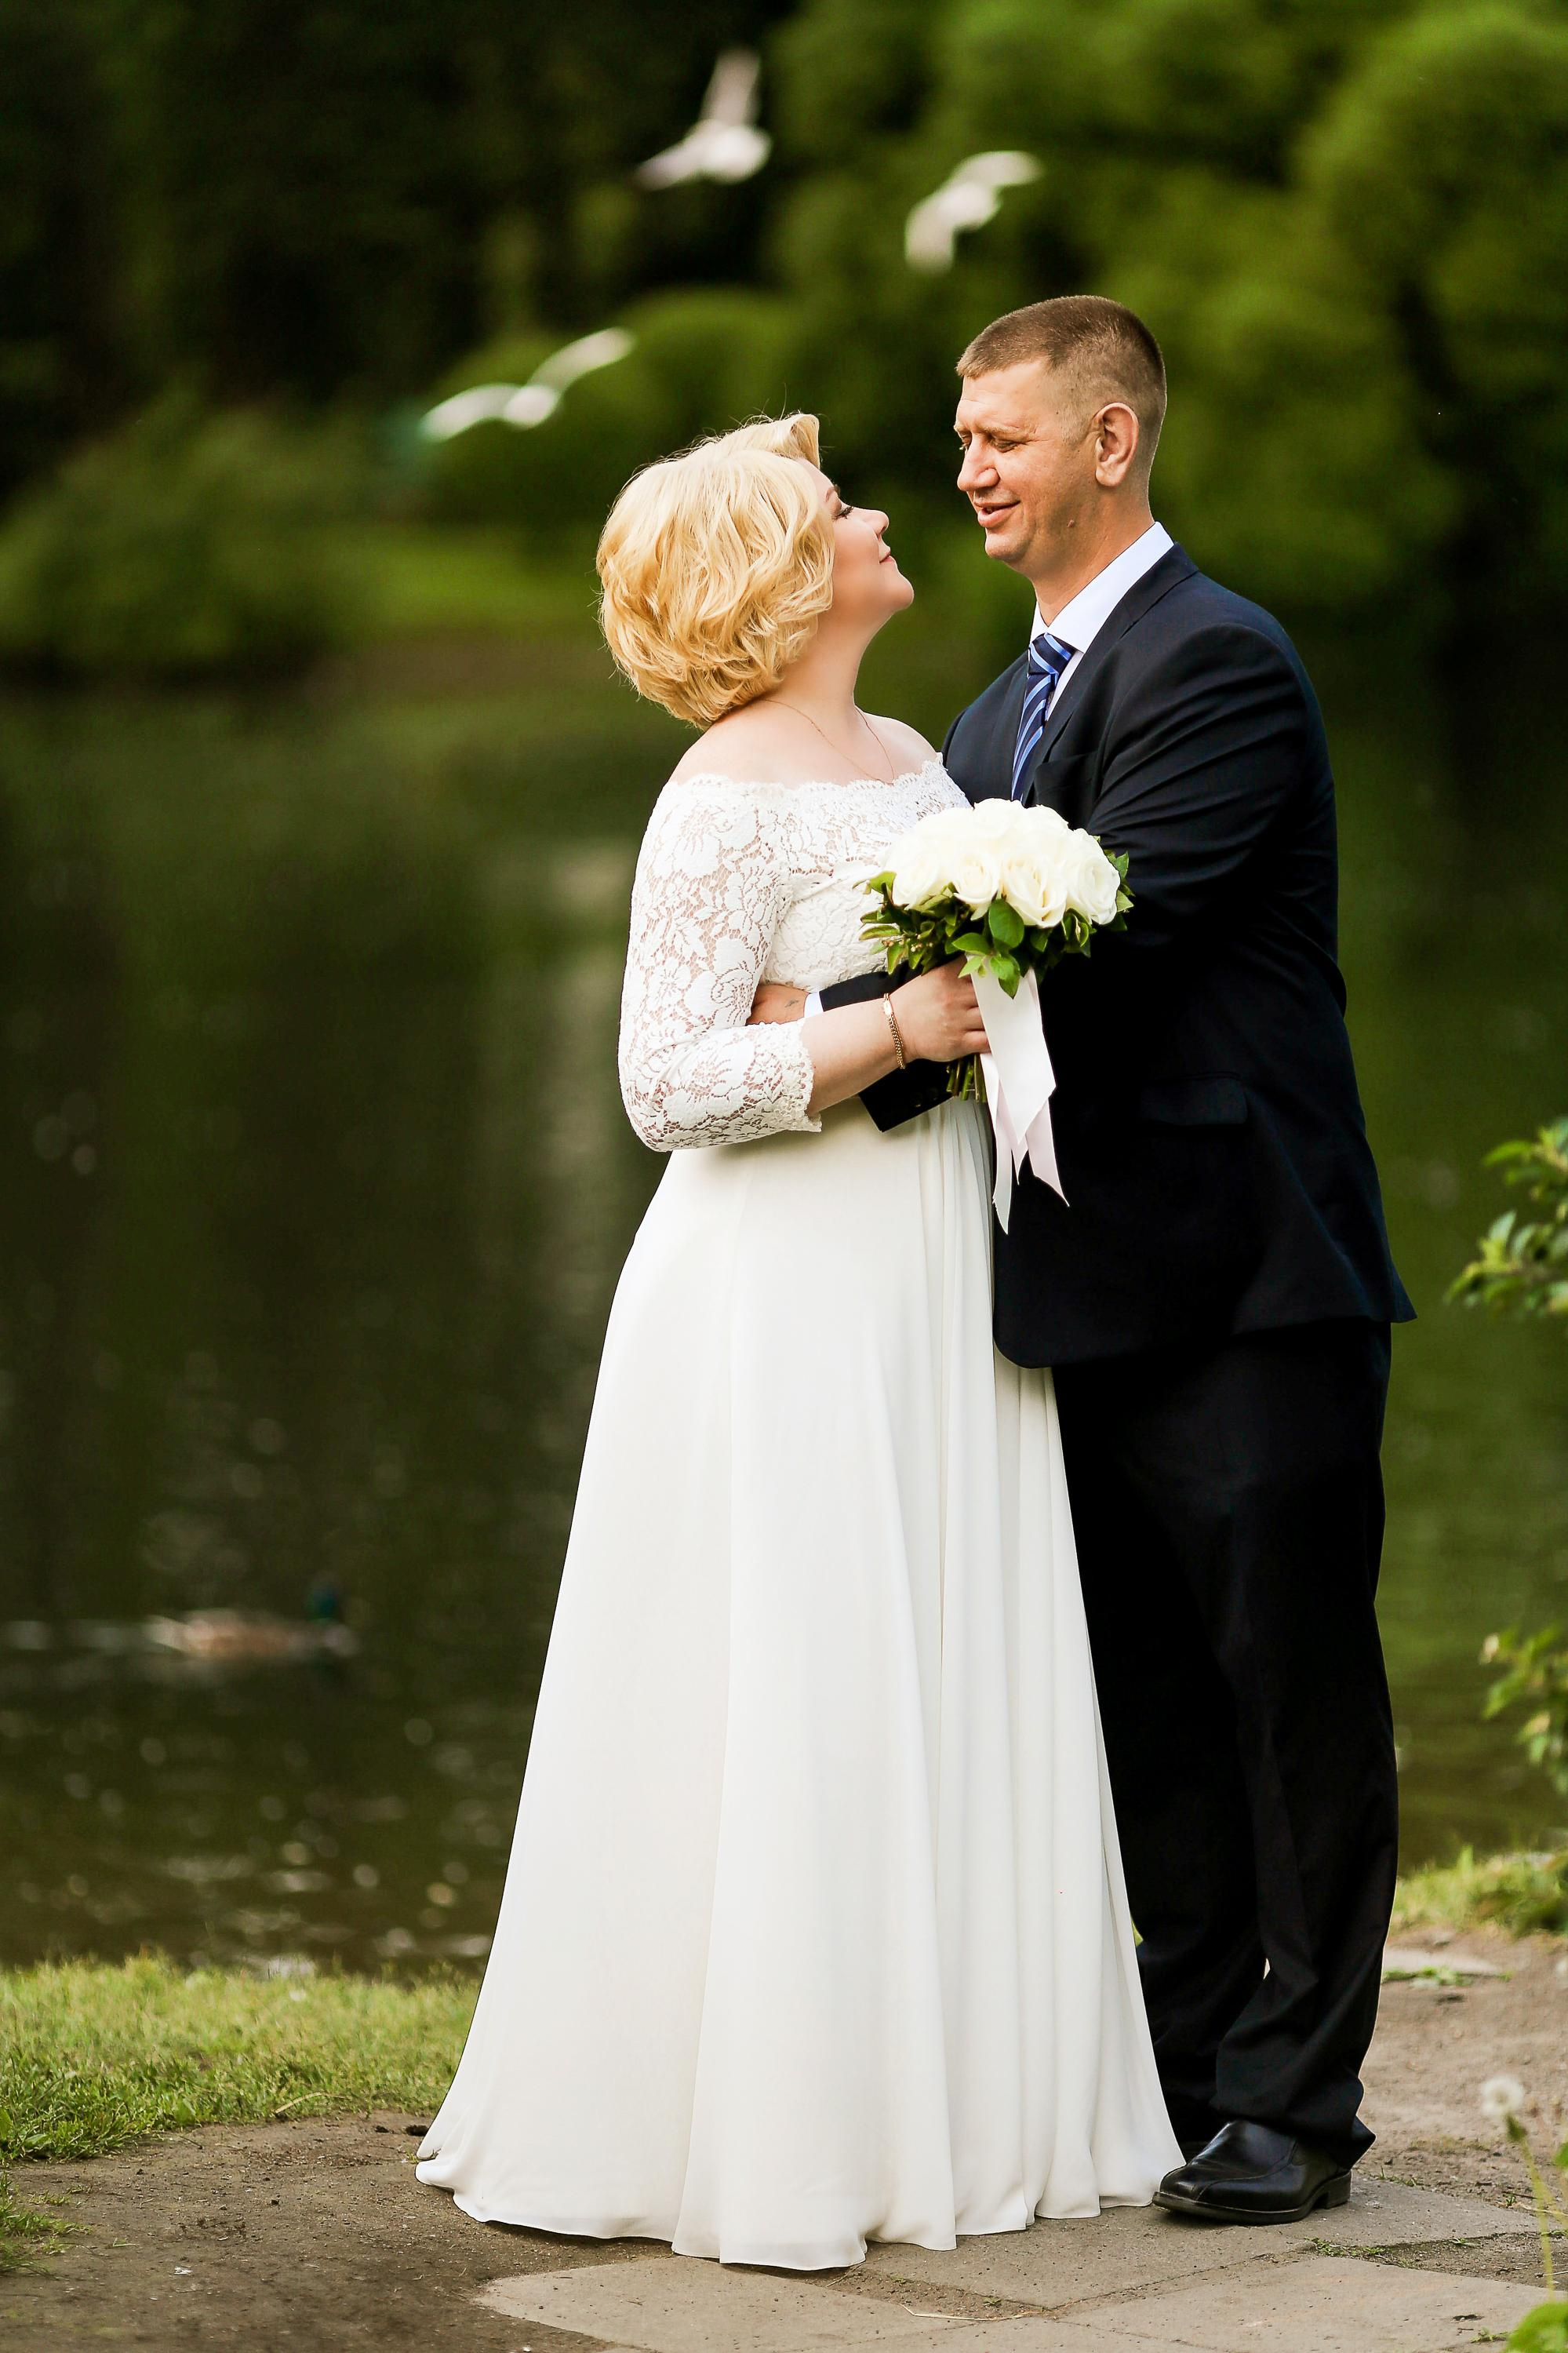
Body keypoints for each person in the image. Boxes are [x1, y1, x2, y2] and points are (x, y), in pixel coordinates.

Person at [413, 412, 1181, 2270]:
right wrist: (877, 1032)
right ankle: (776, 2128)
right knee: (805, 1662)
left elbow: (938, 1001)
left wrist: (903, 1008)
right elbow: (662, 1083)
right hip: (782, 1287)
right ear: (780, 576)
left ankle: (967, 2100)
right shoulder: (716, 796)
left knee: (944, 1635)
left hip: (934, 1267)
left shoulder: (920, 757)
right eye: (842, 509)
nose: (880, 517)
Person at [766, 297, 1413, 2225]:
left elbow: (1105, 937)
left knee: (1283, 1696)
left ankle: (1301, 2111)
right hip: (1071, 1296)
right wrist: (810, 1068)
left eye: (1003, 437)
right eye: (962, 437)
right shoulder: (982, 720)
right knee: (1148, 1709)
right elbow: (987, 997)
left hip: (1246, 1278)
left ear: (1109, 445)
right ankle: (1194, 2076)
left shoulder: (1218, 663)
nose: (968, 467)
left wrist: (842, 1018)